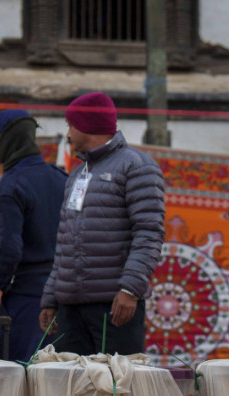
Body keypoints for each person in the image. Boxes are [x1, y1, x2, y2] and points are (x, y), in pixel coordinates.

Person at [38, 92, 164, 355]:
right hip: (70, 310)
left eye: (71, 125)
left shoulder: (137, 166)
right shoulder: (77, 174)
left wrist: (130, 289)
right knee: (72, 388)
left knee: (115, 387)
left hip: (114, 307)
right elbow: (64, 241)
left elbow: (148, 233)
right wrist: (51, 296)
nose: (69, 134)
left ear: (88, 126)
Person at [0, 109, 66, 362]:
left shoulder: (12, 184)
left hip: (28, 299)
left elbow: (10, 249)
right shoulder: (61, 178)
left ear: (5, 139)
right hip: (62, 296)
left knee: (23, 376)